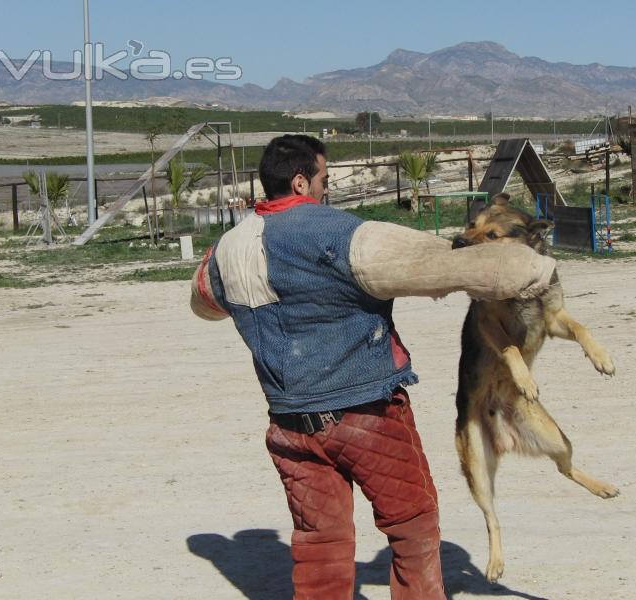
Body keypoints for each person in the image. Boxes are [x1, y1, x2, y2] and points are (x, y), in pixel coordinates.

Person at [190, 134, 556, 599]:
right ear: (301, 180)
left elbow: (203, 299)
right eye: (324, 177)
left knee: (319, 541)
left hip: (289, 425)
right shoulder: (344, 234)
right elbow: (443, 265)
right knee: (413, 526)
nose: (326, 187)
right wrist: (536, 271)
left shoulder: (229, 250)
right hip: (367, 415)